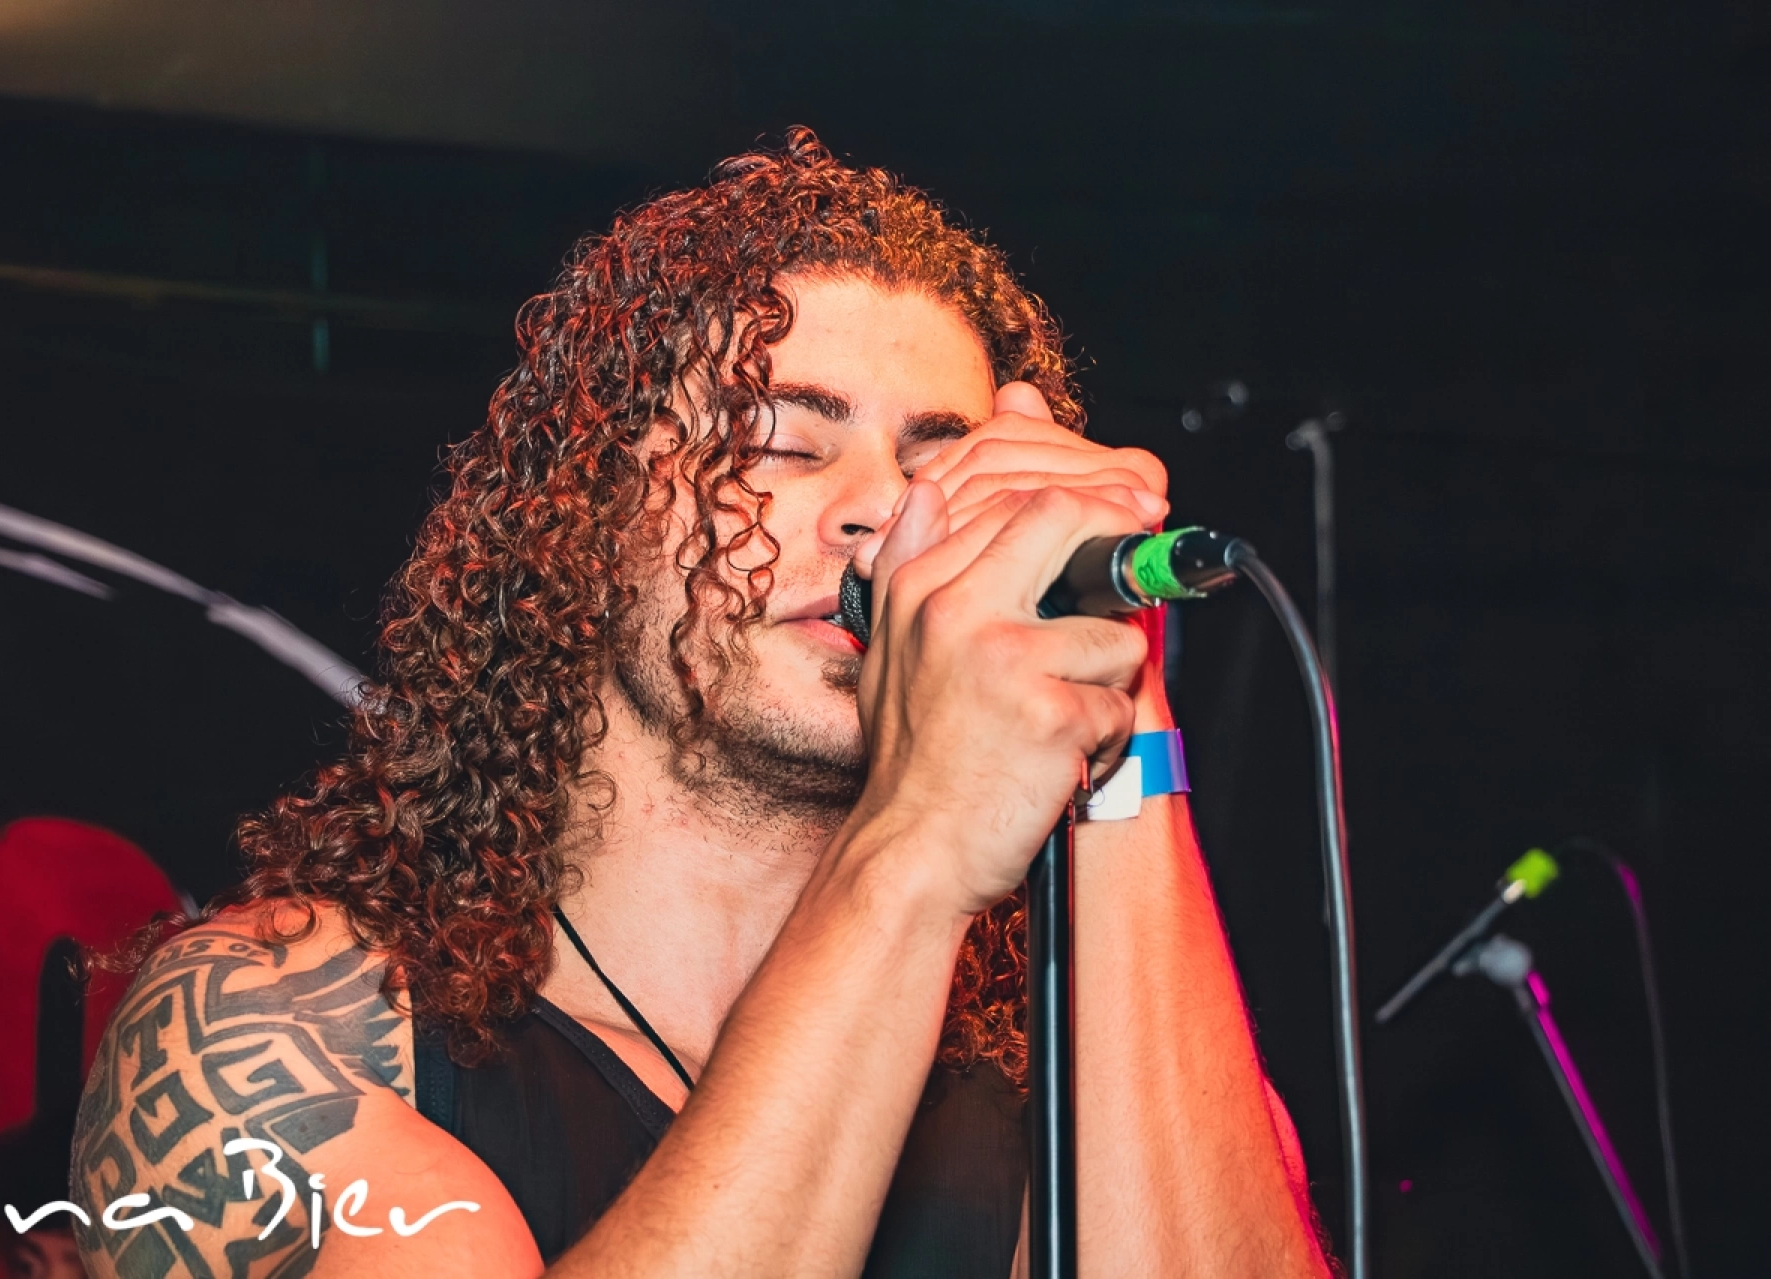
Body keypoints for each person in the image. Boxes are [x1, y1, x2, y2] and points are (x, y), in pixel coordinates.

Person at [70, 128, 1332, 1278]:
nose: (881, 511)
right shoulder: (287, 1024)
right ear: (587, 517)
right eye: (782, 442)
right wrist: (917, 842)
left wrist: (1116, 719)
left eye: (939, 464)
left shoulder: (1067, 1074)